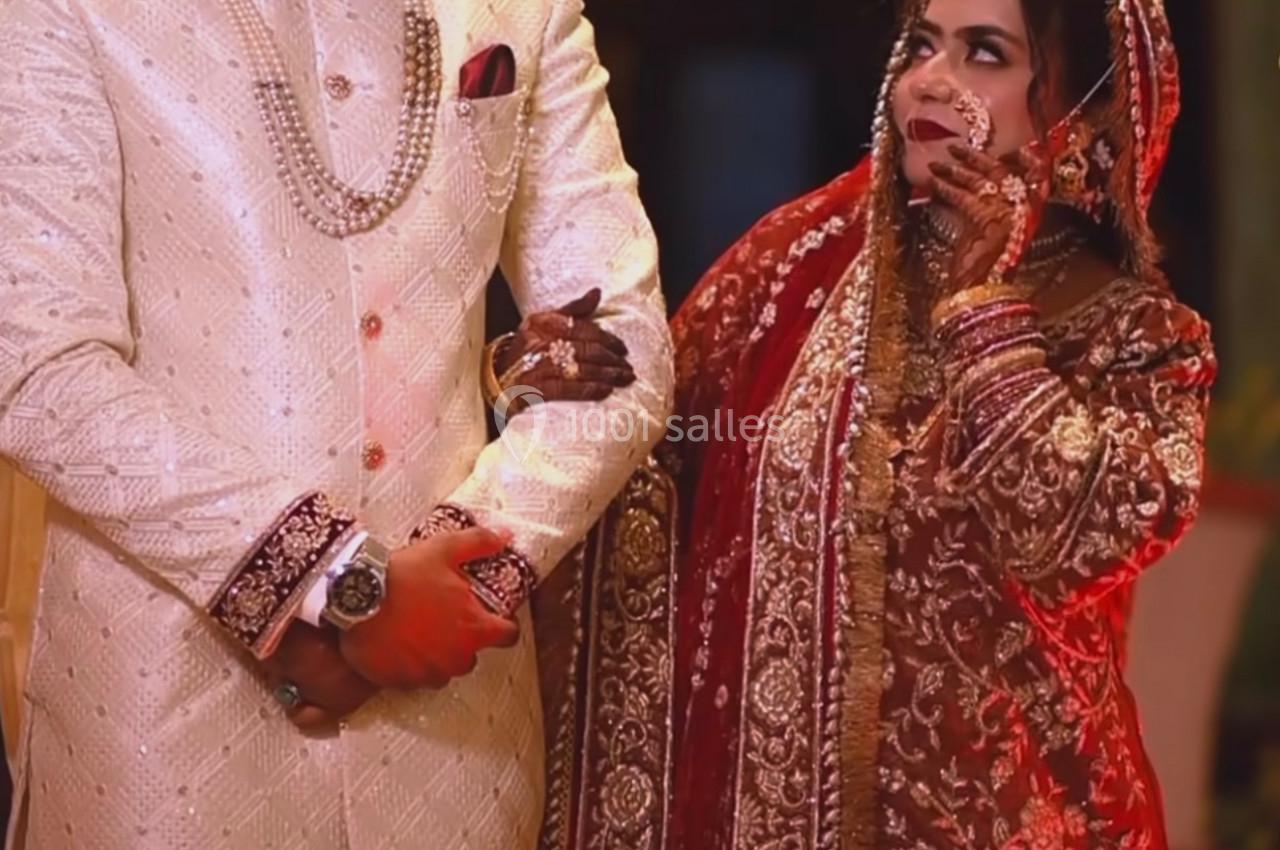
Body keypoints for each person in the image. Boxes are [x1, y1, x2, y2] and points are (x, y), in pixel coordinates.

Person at [496, 0, 1215, 847]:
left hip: (1020, 817)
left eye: (984, 53)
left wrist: (981, 315)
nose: (931, 81)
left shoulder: (1132, 331)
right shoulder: (791, 272)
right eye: (921, 45)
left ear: (1087, 111)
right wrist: (550, 389)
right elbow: (650, 487)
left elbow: (1071, 539)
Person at [0, 0, 672, 846]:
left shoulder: (522, 11)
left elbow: (621, 346)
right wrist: (337, 584)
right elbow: (37, 364)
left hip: (448, 715)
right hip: (167, 698)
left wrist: (461, 582)